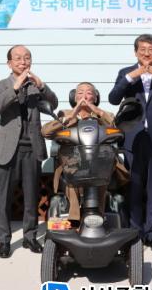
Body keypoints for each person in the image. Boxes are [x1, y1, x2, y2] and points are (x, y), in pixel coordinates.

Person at [108, 34, 152, 252]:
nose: (147, 53)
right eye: (143, 50)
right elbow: (113, 98)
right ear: (136, 52)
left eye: (151, 50)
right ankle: (135, 232)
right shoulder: (126, 72)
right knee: (134, 186)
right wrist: (132, 76)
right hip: (133, 136)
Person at [0, 45, 58, 259]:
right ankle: (4, 240)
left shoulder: (36, 86)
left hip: (32, 147)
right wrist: (16, 86)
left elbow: (53, 103)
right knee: (5, 198)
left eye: (27, 58)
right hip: (8, 149)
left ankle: (30, 236)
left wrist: (42, 86)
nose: (23, 62)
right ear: (9, 63)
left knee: (31, 197)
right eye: (18, 58)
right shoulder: (0, 85)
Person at [41, 82, 119, 222]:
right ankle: (74, 220)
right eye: (80, 93)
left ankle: (98, 218)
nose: (84, 96)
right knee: (72, 175)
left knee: (101, 177)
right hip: (72, 162)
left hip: (98, 163)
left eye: (89, 93)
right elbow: (46, 132)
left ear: (95, 98)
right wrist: (73, 114)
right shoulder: (64, 114)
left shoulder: (104, 115)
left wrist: (96, 111)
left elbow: (115, 127)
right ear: (75, 97)